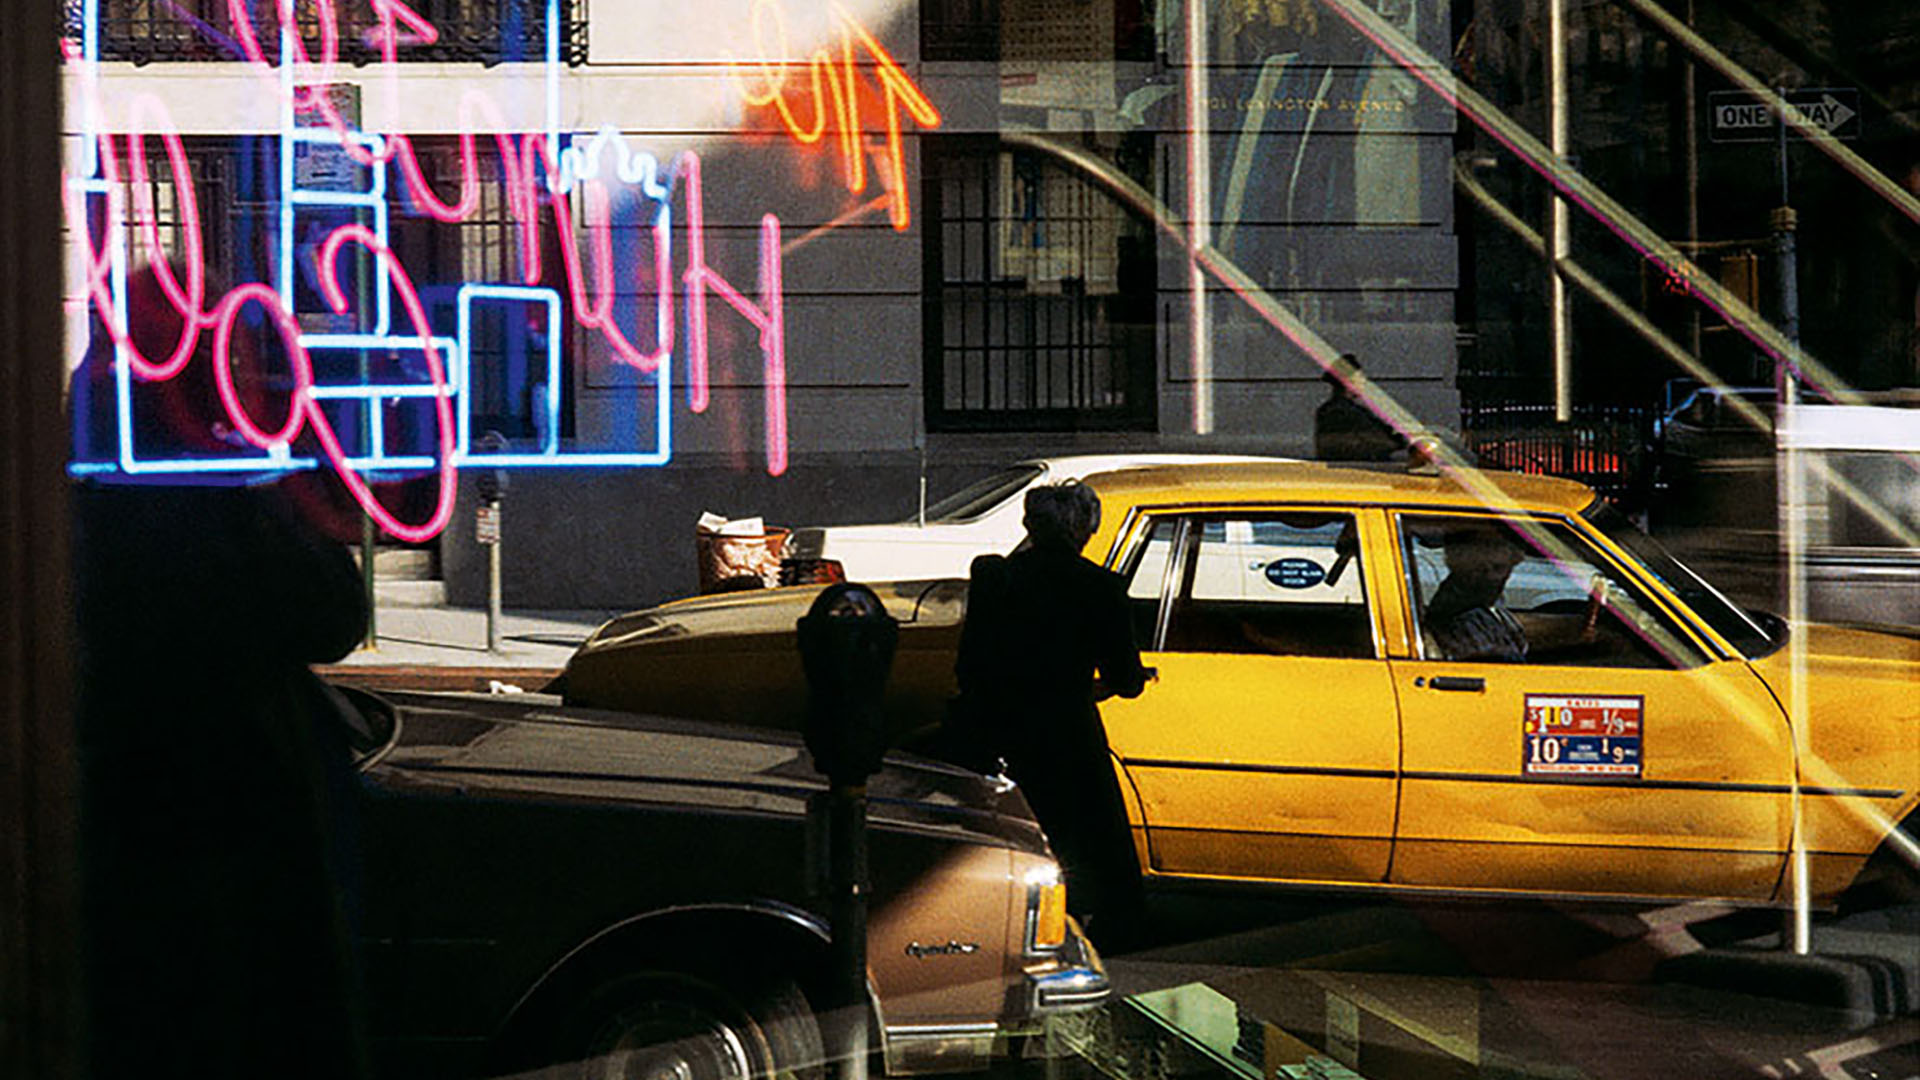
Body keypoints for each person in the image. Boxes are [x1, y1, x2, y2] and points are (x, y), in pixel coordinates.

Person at [950, 482, 1153, 948]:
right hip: (1067, 732)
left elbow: (969, 665)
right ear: (1083, 529)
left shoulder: (997, 579)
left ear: (1031, 526)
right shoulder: (1099, 586)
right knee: (1092, 839)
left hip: (999, 732)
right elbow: (1126, 679)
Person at [1424, 525, 1529, 662]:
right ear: (1458, 557)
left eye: (1500, 568)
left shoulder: (1489, 606)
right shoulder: (1460, 617)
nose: (1493, 576)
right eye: (1489, 546)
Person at [1313, 353, 1402, 462]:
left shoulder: (1341, 410)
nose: (1363, 383)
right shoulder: (1341, 412)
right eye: (1359, 378)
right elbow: (1381, 442)